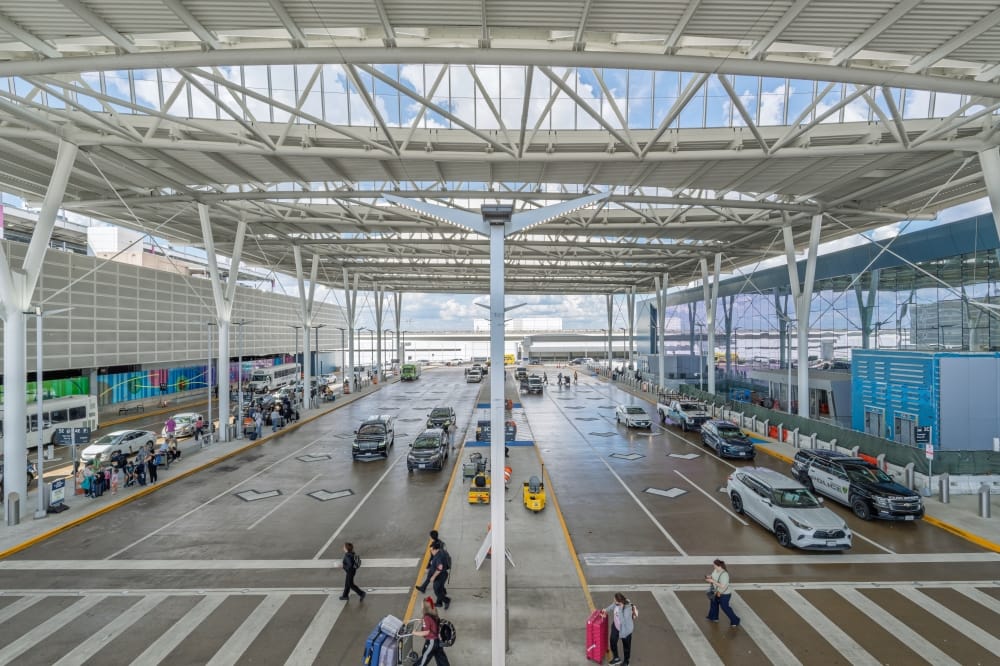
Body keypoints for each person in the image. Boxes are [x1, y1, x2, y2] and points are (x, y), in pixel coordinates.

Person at [601, 593, 637, 666]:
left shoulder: (627, 609)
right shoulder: (616, 603)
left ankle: (626, 662)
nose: (614, 601)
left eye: (615, 600)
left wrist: (620, 609)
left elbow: (623, 622)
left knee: (626, 647)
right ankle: (616, 658)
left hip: (625, 630)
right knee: (612, 642)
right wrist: (605, 610)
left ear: (619, 601)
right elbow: (612, 605)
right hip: (616, 626)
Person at [412, 597, 450, 666]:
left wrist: (415, 633)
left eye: (422, 605)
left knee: (425, 656)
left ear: (425, 607)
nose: (421, 606)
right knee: (440, 657)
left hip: (431, 641)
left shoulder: (426, 618)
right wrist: (422, 621)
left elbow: (426, 632)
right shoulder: (434, 613)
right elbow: (432, 623)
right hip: (438, 640)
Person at [705, 558, 740, 628]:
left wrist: (712, 581)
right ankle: (713, 617)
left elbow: (722, 586)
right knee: (713, 604)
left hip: (724, 594)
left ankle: (735, 620)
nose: (713, 566)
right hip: (716, 591)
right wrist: (710, 577)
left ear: (719, 566)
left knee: (725, 607)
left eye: (714, 565)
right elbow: (714, 576)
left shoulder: (724, 574)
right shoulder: (715, 570)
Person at [427, 541, 451, 610]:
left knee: (437, 591)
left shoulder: (438, 557)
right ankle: (439, 603)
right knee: (440, 589)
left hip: (440, 576)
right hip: (443, 574)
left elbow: (439, 568)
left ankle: (447, 600)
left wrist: (433, 577)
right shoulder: (441, 552)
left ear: (435, 549)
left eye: (431, 550)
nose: (431, 552)